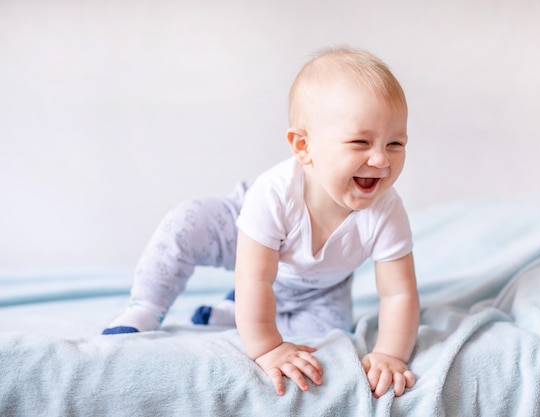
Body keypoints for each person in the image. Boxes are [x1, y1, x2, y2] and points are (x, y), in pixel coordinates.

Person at [103, 46, 420, 398]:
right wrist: (268, 348)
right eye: (360, 142)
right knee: (186, 223)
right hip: (248, 240)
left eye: (395, 143)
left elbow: (398, 293)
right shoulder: (275, 194)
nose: (380, 159)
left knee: (324, 339)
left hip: (318, 287)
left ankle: (232, 309)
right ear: (303, 147)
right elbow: (255, 276)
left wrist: (390, 354)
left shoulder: (386, 211)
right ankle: (146, 306)